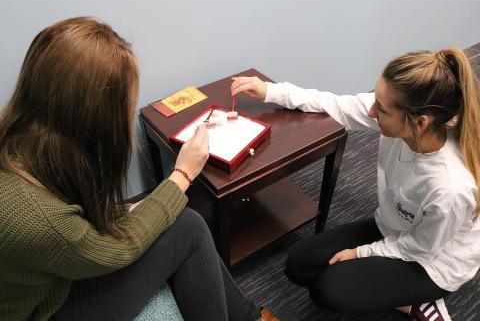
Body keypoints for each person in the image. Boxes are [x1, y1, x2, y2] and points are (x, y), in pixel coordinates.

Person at [0, 17, 279, 321]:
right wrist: (182, 174)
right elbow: (110, 249)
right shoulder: (35, 216)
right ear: (92, 114)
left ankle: (250, 318)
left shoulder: (19, 145)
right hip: (46, 310)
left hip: (49, 279)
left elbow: (72, 220)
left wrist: (134, 210)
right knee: (189, 227)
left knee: (178, 221)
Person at [231, 48, 480, 321]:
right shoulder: (404, 120)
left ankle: (420, 302)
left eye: (381, 109)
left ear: (419, 122)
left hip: (433, 260)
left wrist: (360, 253)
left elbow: (419, 248)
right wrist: (269, 91)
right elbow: (338, 106)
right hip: (394, 227)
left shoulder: (450, 187)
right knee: (299, 265)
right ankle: (391, 286)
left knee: (329, 291)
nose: (372, 110)